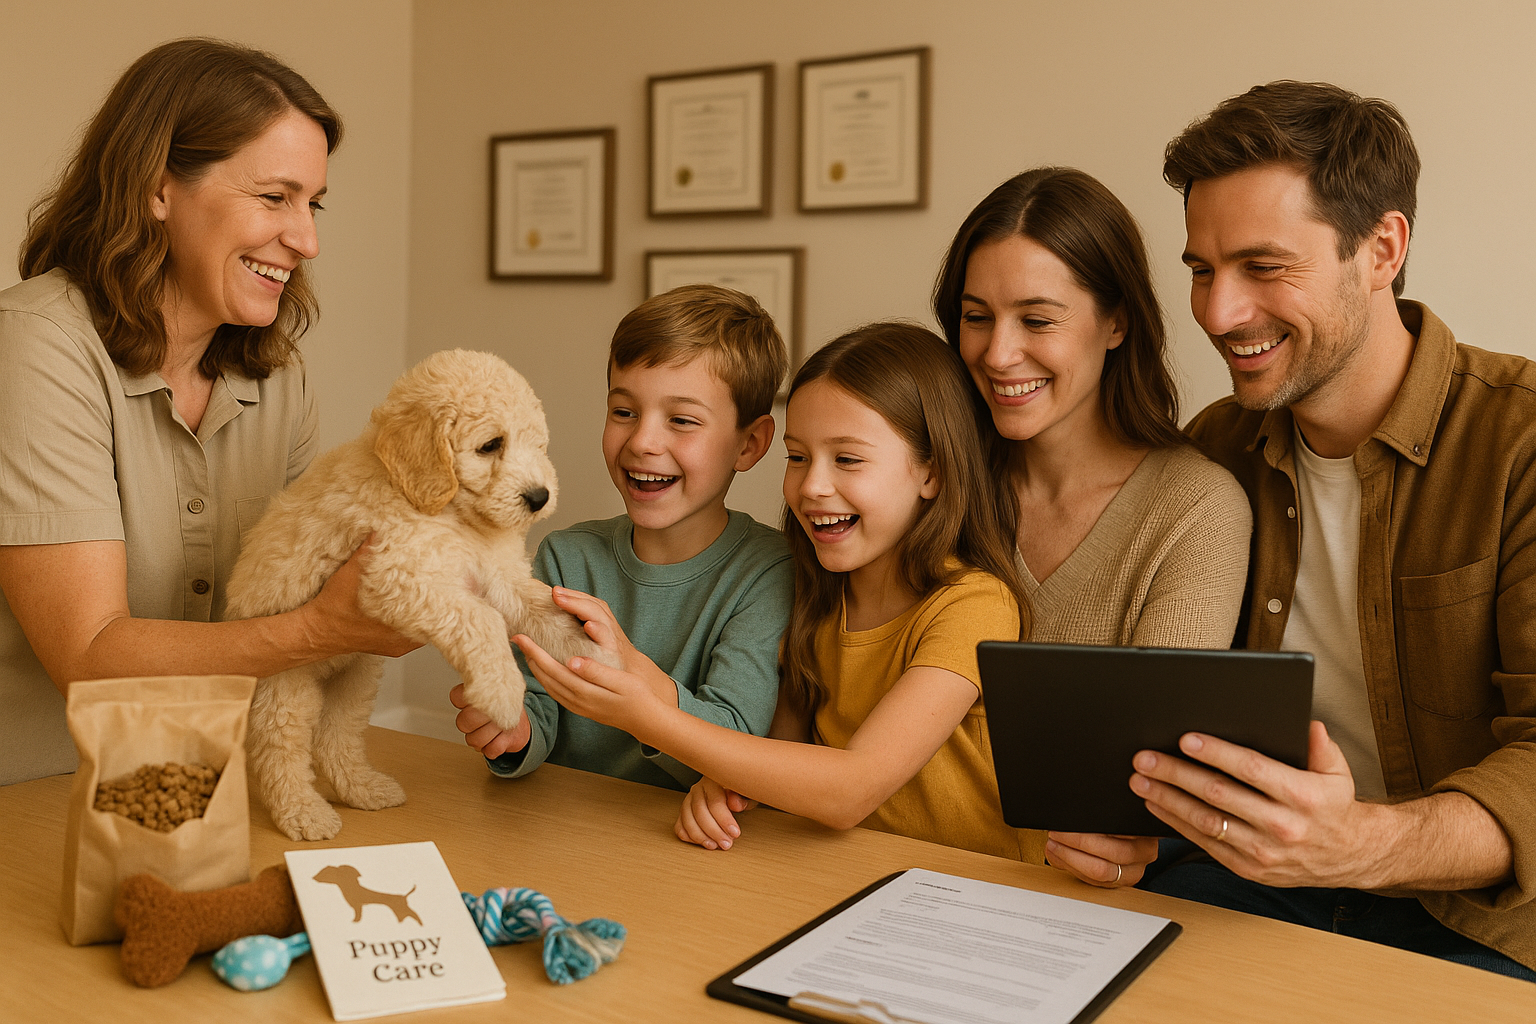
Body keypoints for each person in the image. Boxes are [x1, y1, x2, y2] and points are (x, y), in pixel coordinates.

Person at [1133, 80, 1536, 980]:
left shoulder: (1522, 443)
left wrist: (1364, 845)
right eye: (1201, 269)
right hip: (1250, 885)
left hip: (1482, 929)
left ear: (1383, 248)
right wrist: (1109, 821)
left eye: (1263, 267)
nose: (1218, 313)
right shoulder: (1214, 449)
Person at [0, 38, 415, 788]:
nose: (307, 239)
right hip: (37, 798)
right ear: (159, 189)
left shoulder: (279, 376)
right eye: (274, 197)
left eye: (312, 203)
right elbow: (90, 657)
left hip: (212, 788)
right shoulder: (35, 344)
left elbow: (318, 588)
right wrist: (319, 630)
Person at [514, 322, 1045, 862]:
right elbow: (773, 755)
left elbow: (850, 790)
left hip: (977, 888)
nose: (812, 485)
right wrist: (729, 789)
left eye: (848, 459)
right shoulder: (812, 592)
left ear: (931, 473)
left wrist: (647, 715)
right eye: (797, 457)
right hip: (849, 876)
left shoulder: (974, 605)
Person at [931, 167, 1253, 887]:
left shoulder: (1197, 508)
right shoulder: (929, 481)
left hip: (1074, 898)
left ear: (1117, 321)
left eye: (1037, 320)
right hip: (894, 857)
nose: (996, 352)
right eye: (976, 315)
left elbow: (1154, 777)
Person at [448, 285, 793, 791]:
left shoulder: (768, 571)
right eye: (624, 412)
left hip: (686, 842)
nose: (642, 442)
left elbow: (737, 741)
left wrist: (638, 701)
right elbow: (536, 705)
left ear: (751, 443)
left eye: (681, 420)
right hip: (563, 827)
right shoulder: (566, 558)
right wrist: (514, 731)